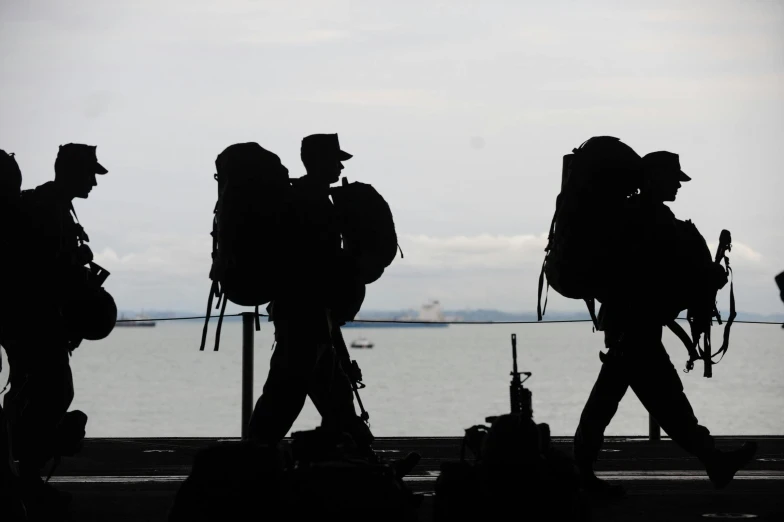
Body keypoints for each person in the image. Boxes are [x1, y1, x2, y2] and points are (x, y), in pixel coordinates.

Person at [573, 150, 757, 498]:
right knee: (659, 403)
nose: (677, 184)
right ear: (653, 178)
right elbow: (660, 273)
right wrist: (709, 276)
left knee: (639, 401)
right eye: (673, 178)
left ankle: (581, 469)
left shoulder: (643, 216)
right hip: (635, 326)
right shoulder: (646, 218)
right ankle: (712, 460)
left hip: (632, 325)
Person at [248, 133, 375, 457]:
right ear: (318, 161)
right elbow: (317, 269)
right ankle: (251, 460)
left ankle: (363, 453)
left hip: (309, 316)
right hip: (306, 316)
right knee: (285, 396)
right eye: (335, 160)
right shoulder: (312, 203)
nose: (339, 167)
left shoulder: (307, 199)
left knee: (334, 395)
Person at [2, 143, 106, 512]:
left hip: (34, 319)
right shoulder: (48, 208)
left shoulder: (56, 206)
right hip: (33, 319)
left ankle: (23, 479)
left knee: (36, 395)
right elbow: (43, 271)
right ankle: (27, 480)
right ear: (70, 171)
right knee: (53, 392)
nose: (94, 181)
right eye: (90, 173)